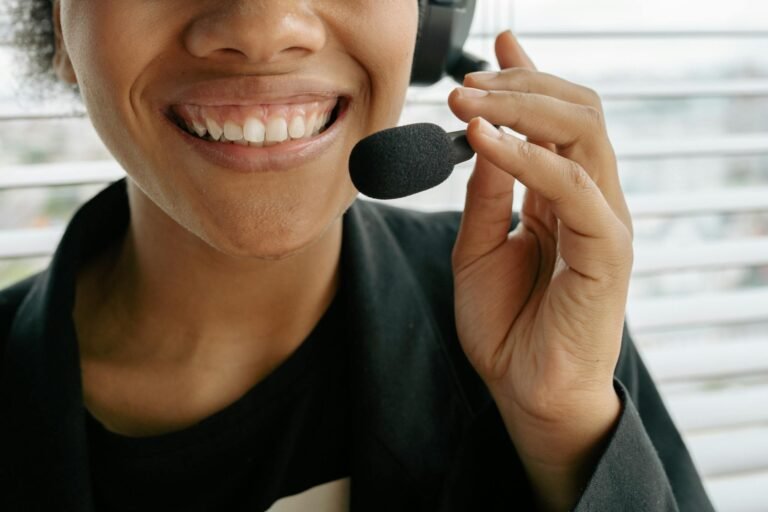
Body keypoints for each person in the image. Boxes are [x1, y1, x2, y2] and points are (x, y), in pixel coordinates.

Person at [0, 1, 715, 511]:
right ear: (60, 25)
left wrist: (566, 434)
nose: (264, 26)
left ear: (433, 21)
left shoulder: (537, 311)